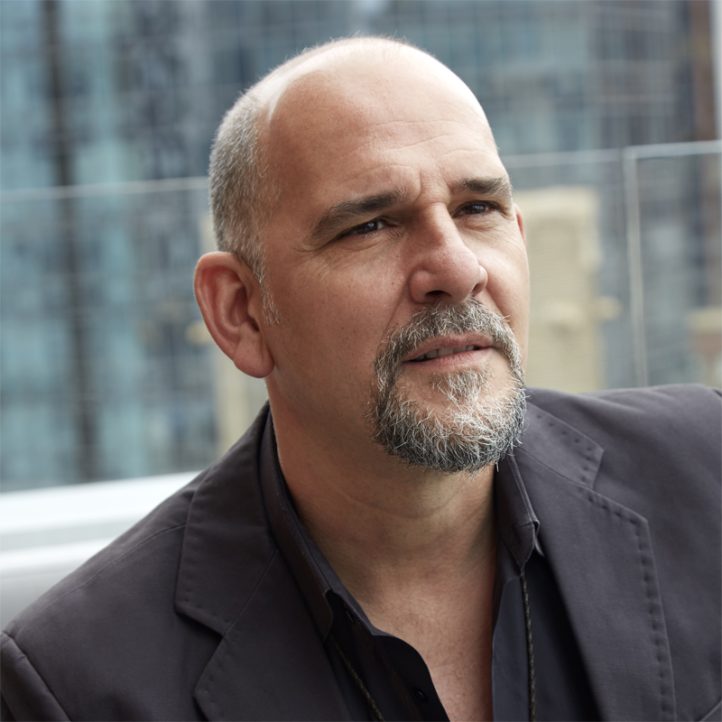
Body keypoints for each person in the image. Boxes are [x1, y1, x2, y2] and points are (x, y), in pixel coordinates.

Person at [1, 37, 720, 722]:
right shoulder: (77, 683)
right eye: (370, 225)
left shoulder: (705, 470)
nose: (458, 268)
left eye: (478, 209)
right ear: (241, 312)